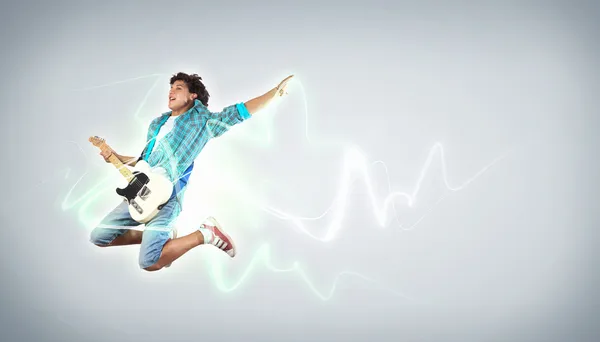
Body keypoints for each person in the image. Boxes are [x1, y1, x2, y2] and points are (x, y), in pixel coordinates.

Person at [89, 72, 294, 272]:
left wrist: (274, 94)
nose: (171, 92)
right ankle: (157, 239)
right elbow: (145, 162)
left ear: (192, 95)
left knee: (149, 262)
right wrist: (116, 157)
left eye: (178, 88)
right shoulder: (157, 124)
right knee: (99, 237)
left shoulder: (201, 122)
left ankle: (205, 234)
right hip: (140, 195)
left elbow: (239, 112)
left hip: (168, 196)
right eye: (170, 88)